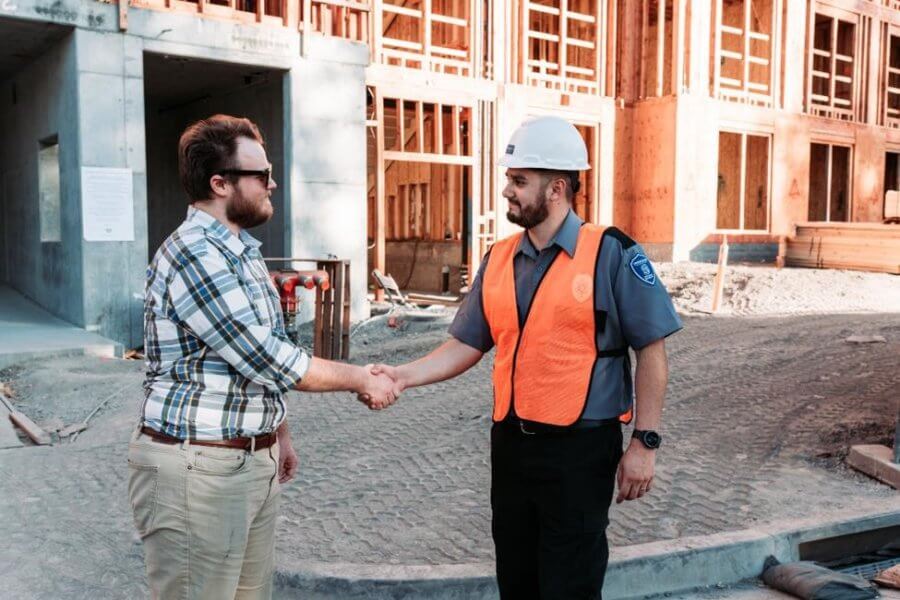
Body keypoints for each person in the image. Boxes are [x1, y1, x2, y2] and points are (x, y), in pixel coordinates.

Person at [368, 116, 683, 598]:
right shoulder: (499, 258)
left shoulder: (611, 253)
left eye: (518, 181)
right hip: (512, 447)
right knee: (516, 581)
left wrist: (645, 443)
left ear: (557, 188)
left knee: (569, 587)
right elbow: (466, 344)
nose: (507, 192)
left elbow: (652, 350)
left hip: (580, 451)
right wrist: (402, 375)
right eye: (509, 180)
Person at [129, 114, 397, 600]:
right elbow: (267, 358)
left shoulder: (242, 251)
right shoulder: (194, 253)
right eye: (261, 175)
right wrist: (361, 377)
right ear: (220, 183)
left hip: (249, 461)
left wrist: (278, 434)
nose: (273, 183)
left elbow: (265, 350)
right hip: (198, 470)